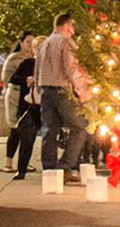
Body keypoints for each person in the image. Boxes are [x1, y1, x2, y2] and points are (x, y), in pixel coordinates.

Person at [37, 13, 93, 183]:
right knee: (81, 127)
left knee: (49, 130)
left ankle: (49, 171)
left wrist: (37, 90)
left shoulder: (44, 43)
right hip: (62, 91)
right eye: (72, 27)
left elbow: (37, 69)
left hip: (45, 90)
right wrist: (82, 91)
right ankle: (64, 166)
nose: (73, 31)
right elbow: (71, 68)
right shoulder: (65, 42)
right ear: (67, 25)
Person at [1, 33, 39, 178]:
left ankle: (23, 161)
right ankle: (8, 161)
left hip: (29, 98)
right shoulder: (14, 58)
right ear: (21, 43)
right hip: (15, 97)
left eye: (32, 42)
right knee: (15, 129)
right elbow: (7, 78)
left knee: (25, 131)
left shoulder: (34, 59)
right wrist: (25, 80)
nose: (30, 45)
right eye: (28, 42)